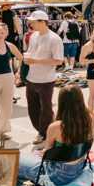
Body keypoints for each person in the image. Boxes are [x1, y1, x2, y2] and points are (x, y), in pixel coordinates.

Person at [14, 84, 94, 186]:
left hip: (57, 175)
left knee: (15, 161)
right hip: (79, 168)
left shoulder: (56, 127)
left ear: (61, 102)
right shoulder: (91, 119)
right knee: (28, 159)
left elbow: (47, 154)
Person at [23, 10, 64, 148]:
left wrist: (35, 60)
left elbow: (58, 61)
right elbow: (31, 53)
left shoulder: (54, 39)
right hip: (32, 77)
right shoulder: (34, 36)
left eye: (33, 22)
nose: (31, 24)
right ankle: (42, 132)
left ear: (42, 22)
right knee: (33, 109)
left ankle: (46, 134)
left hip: (46, 79)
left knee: (46, 109)